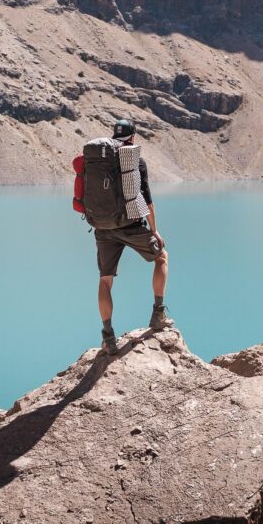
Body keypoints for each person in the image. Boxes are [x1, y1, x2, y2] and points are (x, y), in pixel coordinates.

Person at [94, 118, 170, 355]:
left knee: (106, 280)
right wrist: (154, 230)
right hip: (130, 225)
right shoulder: (134, 160)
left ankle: (108, 337)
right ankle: (158, 315)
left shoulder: (98, 159)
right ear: (133, 137)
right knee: (162, 257)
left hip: (103, 227)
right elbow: (146, 201)